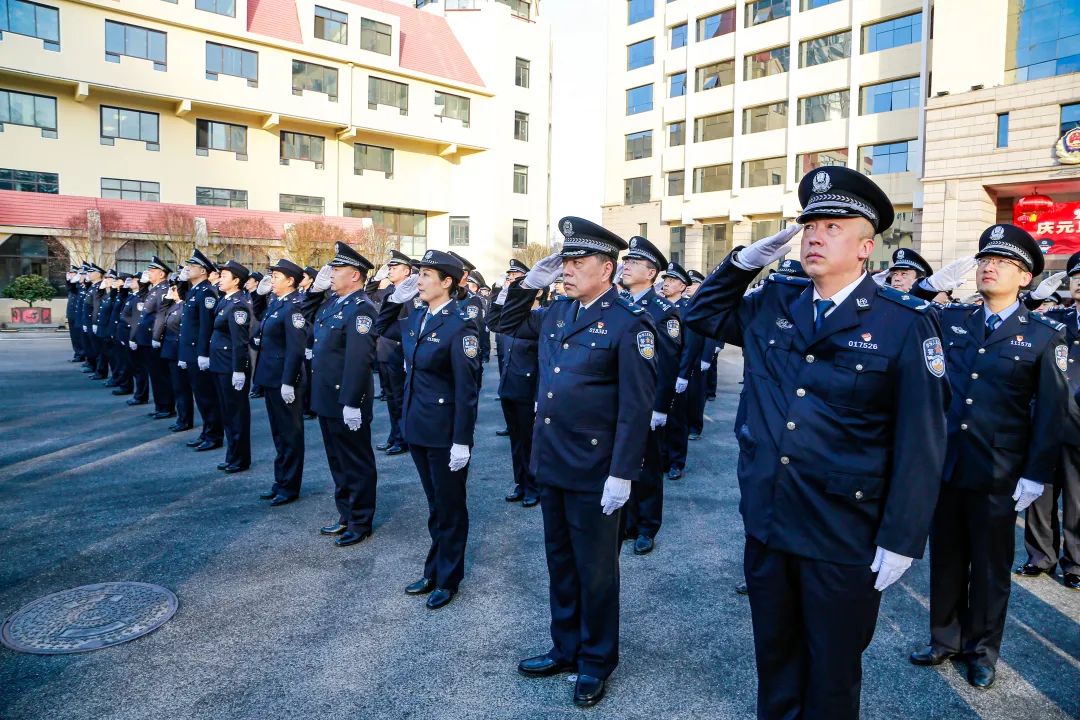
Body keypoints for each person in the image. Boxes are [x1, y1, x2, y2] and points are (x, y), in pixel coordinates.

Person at [684, 166, 949, 719]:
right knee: (775, 661)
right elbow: (700, 313)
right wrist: (742, 264)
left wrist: (902, 537)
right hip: (771, 519)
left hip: (842, 532)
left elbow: (921, 440)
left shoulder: (904, 323)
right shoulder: (772, 304)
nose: (815, 235)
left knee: (831, 673)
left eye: (833, 224)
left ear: (866, 246)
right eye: (810, 225)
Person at [497, 217, 656, 708]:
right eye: (564, 261)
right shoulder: (558, 313)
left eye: (577, 261)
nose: (567, 269)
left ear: (606, 268)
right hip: (553, 463)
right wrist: (529, 284)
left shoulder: (630, 324)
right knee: (560, 562)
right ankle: (565, 647)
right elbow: (502, 323)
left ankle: (596, 660)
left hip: (596, 471)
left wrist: (623, 474)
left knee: (596, 571)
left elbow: (636, 407)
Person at [905, 225, 1068, 689]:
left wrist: (1036, 474)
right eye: (983, 260)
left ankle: (982, 651)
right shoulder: (954, 320)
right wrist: (929, 283)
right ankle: (945, 639)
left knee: (992, 568)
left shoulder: (1042, 335)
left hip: (1000, 472)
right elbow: (911, 307)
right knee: (948, 557)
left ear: (1026, 279)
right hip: (950, 465)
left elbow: (1051, 414)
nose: (988, 267)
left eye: (1002, 263)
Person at [374, 249, 481, 609]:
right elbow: (380, 329)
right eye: (417, 275)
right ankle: (434, 568)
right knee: (435, 505)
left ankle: (448, 578)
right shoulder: (417, 316)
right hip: (418, 426)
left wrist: (462, 440)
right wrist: (393, 297)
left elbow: (468, 389)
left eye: (425, 276)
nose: (417, 281)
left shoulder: (460, 324)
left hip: (445, 431)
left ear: (447, 282)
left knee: (450, 507)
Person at [305, 244, 380, 547]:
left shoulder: (362, 310)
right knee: (337, 460)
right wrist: (314, 290)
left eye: (337, 271)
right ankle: (346, 513)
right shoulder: (332, 303)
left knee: (356, 461)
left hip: (347, 399)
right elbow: (304, 314)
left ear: (355, 275)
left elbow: (359, 361)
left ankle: (361, 520)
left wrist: (351, 402)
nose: (331, 275)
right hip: (326, 398)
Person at [1015, 254, 1080, 591]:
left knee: (1077, 496)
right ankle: (1040, 557)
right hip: (1045, 419)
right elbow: (1023, 313)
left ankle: (1076, 562)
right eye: (1075, 275)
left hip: (1078, 426)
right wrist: (1038, 294)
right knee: (1039, 492)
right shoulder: (1056, 318)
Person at [615, 236, 681, 555]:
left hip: (647, 403)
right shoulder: (622, 304)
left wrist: (659, 408)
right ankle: (628, 520)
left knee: (648, 467)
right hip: (622, 402)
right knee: (625, 461)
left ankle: (647, 526)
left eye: (633, 263)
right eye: (625, 261)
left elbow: (667, 364)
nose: (625, 266)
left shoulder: (662, 311)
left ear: (651, 272)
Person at [252, 259, 308, 506]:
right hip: (271, 377)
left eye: (276, 277)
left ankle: (290, 485)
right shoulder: (278, 303)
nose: (271, 280)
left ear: (290, 281)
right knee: (279, 433)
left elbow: (296, 349)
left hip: (285, 380)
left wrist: (289, 381)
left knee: (290, 434)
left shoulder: (295, 307)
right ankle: (281, 480)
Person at [488, 272, 542, 507]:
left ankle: (534, 486)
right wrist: (500, 296)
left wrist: (541, 394)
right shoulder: (512, 320)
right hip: (510, 387)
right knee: (517, 442)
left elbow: (544, 362)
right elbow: (492, 322)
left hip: (529, 391)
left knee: (530, 441)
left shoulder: (539, 318)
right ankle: (520, 482)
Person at [209, 261, 254, 474]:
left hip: (230, 366)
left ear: (236, 281)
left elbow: (240, 342)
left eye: (224, 276)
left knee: (236, 414)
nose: (220, 279)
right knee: (227, 413)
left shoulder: (238, 305)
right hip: (220, 364)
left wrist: (239, 369)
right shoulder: (224, 301)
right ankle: (232, 455)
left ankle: (240, 458)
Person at [180, 249, 224, 452]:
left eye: (193, 266)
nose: (188, 269)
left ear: (204, 271)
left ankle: (214, 435)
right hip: (190, 352)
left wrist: (203, 353)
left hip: (200, 353)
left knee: (207, 396)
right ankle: (207, 431)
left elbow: (207, 326)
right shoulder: (193, 291)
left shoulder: (206, 293)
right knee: (200, 395)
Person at [660, 262, 700, 480]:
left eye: (672, 280)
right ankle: (662, 457)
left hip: (677, 372)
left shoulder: (688, 309)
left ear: (683, 286)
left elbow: (690, 345)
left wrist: (683, 375)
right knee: (658, 417)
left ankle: (676, 461)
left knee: (676, 418)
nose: (667, 284)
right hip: (658, 372)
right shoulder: (659, 306)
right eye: (665, 280)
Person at [373, 250, 413, 457]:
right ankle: (393, 435)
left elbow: (406, 325)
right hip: (385, 352)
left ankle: (402, 438)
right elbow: (372, 296)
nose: (390, 270)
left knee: (399, 397)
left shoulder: (410, 293)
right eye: (389, 267)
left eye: (394, 268)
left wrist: (384, 331)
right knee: (390, 397)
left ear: (407, 272)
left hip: (398, 351)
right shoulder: (390, 291)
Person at [135, 257, 176, 420]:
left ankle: (166, 407)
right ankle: (160, 405)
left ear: (161, 274)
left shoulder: (164, 289)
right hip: (146, 337)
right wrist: (144, 284)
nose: (148, 274)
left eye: (152, 271)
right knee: (154, 374)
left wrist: (156, 336)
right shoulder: (154, 288)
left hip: (155, 337)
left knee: (161, 375)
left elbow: (162, 314)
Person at [161, 279, 194, 433]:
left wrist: (183, 355)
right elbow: (162, 316)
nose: (170, 292)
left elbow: (183, 333)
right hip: (171, 351)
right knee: (177, 387)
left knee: (182, 389)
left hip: (178, 352)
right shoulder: (175, 306)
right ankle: (181, 417)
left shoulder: (184, 307)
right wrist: (167, 299)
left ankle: (185, 419)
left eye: (173, 289)